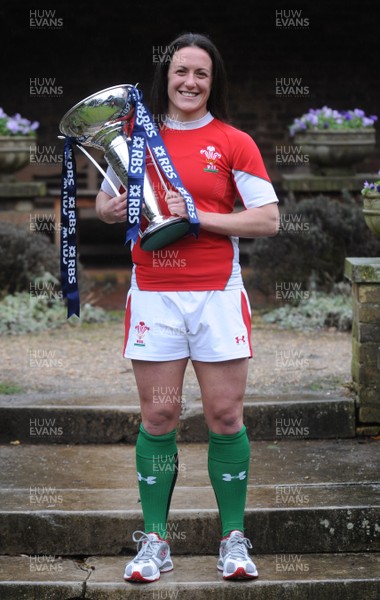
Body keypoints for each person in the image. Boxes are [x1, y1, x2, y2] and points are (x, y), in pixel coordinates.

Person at [96, 31, 279, 583]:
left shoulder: (234, 141)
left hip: (217, 293)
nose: (190, 82)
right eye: (181, 72)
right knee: (159, 417)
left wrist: (198, 216)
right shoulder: (134, 138)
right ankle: (155, 542)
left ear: (212, 81)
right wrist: (133, 204)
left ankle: (233, 539)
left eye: (201, 73)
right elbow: (106, 206)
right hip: (154, 292)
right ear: (166, 77)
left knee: (225, 418)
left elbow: (267, 219)